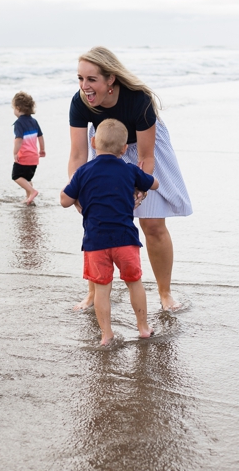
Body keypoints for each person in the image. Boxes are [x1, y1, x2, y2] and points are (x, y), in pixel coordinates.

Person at [66, 46, 193, 311]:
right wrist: (77, 190)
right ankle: (93, 293)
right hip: (104, 150)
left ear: (110, 79)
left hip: (145, 151)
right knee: (96, 221)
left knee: (153, 224)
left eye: (91, 79)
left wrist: (140, 188)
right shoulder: (80, 102)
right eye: (80, 78)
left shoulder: (139, 99)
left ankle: (165, 294)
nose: (84, 86)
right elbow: (78, 154)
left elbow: (146, 156)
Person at [61, 119, 159, 346]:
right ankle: (143, 328)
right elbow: (154, 184)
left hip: (95, 242)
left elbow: (64, 201)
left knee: (102, 290)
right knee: (134, 283)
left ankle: (107, 334)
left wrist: (75, 193)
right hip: (125, 239)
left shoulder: (83, 172)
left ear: (93, 143)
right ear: (125, 149)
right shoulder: (130, 170)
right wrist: (143, 181)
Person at [11, 91, 46, 204]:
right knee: (27, 178)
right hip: (34, 158)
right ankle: (28, 198)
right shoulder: (34, 121)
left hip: (24, 156)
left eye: (13, 108)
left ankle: (32, 191)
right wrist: (42, 149)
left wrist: (15, 152)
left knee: (16, 176)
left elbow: (19, 139)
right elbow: (40, 136)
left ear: (17, 108)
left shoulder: (19, 123)